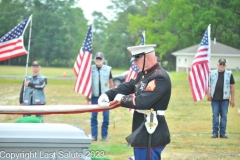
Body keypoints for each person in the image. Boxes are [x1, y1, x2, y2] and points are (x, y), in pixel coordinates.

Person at [98, 44, 171, 160]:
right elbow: (128, 86)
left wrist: (121, 99)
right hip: (142, 129)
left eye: (137, 59)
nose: (135, 63)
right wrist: (108, 94)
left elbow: (142, 102)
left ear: (147, 57)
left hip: (151, 131)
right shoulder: (144, 74)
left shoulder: (159, 77)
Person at [87, 52, 114, 141]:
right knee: (93, 117)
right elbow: (87, 82)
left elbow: (111, 82)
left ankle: (104, 136)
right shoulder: (90, 69)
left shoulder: (107, 69)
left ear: (103, 60)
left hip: (105, 97)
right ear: (95, 59)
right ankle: (94, 136)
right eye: (97, 59)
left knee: (106, 117)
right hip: (94, 96)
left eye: (100, 59)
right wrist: (87, 94)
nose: (98, 60)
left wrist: (113, 93)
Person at [207, 58, 235, 138]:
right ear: (217, 64)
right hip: (215, 99)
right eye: (220, 64)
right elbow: (208, 85)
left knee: (224, 116)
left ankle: (222, 133)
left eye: (223, 64)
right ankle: (215, 133)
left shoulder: (229, 74)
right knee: (215, 116)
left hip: (225, 99)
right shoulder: (211, 73)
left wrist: (232, 99)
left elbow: (232, 87)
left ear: (225, 65)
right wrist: (208, 94)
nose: (222, 66)